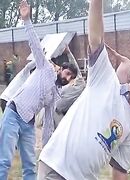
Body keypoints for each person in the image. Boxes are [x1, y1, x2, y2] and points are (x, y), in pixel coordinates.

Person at [37, 1, 130, 180]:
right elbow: (96, 39)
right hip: (57, 167)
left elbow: (121, 171)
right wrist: (97, 3)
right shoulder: (106, 81)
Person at [0, 1, 78, 179]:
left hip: (28, 124)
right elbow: (35, 45)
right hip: (13, 113)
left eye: (70, 78)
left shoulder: (55, 95)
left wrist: (47, 148)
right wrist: (27, 20)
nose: (66, 78)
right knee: (4, 161)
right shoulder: (46, 68)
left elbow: (49, 123)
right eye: (66, 73)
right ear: (60, 69)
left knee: (30, 167)